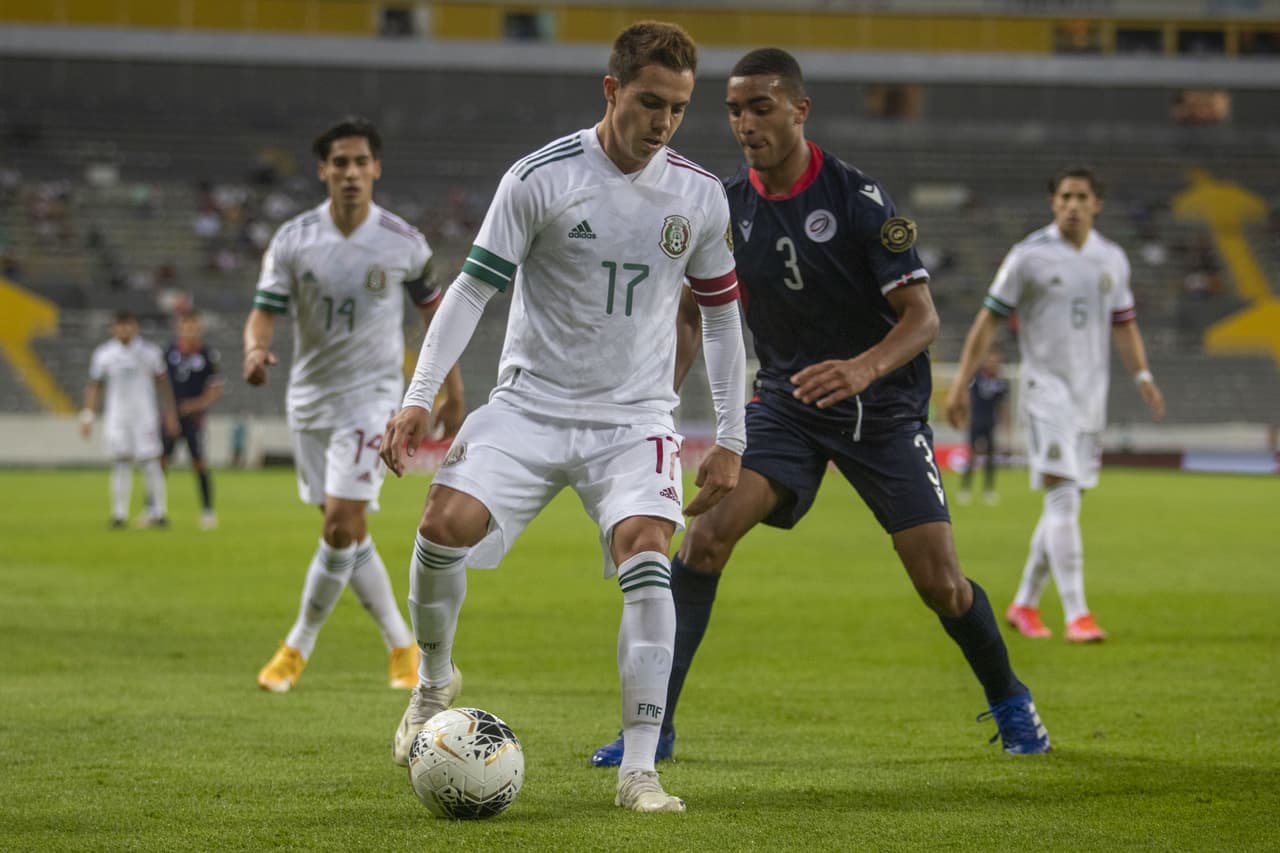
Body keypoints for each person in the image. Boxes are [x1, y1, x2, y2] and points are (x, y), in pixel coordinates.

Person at [591, 47, 1051, 769]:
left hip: (884, 413)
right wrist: (657, 399)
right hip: (786, 406)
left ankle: (1010, 698)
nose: (746, 123)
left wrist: (863, 368)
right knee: (703, 539)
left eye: (761, 107)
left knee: (941, 583)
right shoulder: (725, 207)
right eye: (735, 110)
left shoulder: (857, 199)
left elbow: (922, 317)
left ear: (799, 110)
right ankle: (654, 726)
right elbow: (689, 313)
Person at [379, 21, 747, 813]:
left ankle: (639, 770)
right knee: (443, 526)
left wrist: (730, 436)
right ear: (612, 91)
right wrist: (419, 397)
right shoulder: (539, 177)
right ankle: (434, 680)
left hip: (634, 417)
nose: (664, 122)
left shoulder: (700, 195)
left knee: (649, 553)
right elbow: (471, 291)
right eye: (651, 102)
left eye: (679, 108)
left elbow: (719, 318)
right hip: (531, 404)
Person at [243, 117, 465, 694]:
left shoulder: (403, 242)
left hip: (371, 401)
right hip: (309, 400)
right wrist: (255, 348)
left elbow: (435, 318)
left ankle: (296, 647)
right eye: (339, 163)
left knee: (341, 526)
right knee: (347, 529)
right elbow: (264, 308)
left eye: (360, 162)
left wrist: (453, 390)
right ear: (323, 171)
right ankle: (401, 646)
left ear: (376, 168)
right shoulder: (293, 240)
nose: (350, 172)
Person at [945, 166, 1165, 643]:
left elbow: (1124, 323)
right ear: (1053, 202)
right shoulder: (1028, 257)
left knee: (1064, 505)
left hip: (1091, 399)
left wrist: (1143, 376)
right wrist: (961, 382)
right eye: (1064, 196)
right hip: (1047, 394)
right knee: (1063, 499)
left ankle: (1025, 602)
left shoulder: (1112, 259)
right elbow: (987, 323)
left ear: (1096, 204)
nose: (1072, 205)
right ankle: (1077, 614)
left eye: (1081, 197)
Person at [81, 310, 179, 528]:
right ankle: (119, 515)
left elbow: (163, 384)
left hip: (145, 416)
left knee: (151, 462)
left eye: (128, 325)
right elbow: (94, 385)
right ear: (113, 328)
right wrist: (87, 414)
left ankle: (159, 513)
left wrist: (171, 413)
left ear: (135, 327)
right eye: (120, 325)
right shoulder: (104, 354)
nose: (124, 330)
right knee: (121, 462)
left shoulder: (150, 353)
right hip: (117, 417)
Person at [162, 309, 224, 529]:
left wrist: (196, 405)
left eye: (194, 327)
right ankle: (154, 509)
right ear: (180, 328)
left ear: (200, 328)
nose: (190, 331)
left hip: (194, 419)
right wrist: (169, 411)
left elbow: (216, 389)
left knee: (199, 463)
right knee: (160, 463)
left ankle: (207, 511)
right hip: (170, 416)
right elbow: (160, 383)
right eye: (186, 327)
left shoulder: (208, 354)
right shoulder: (168, 352)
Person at [957, 350, 1010, 506]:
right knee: (971, 456)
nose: (992, 364)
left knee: (991, 458)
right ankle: (965, 490)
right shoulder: (976, 378)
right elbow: (967, 397)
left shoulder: (1001, 383)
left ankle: (988, 490)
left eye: (995, 361)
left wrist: (1006, 426)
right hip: (975, 422)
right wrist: (965, 417)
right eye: (990, 361)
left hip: (991, 424)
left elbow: (1003, 406)